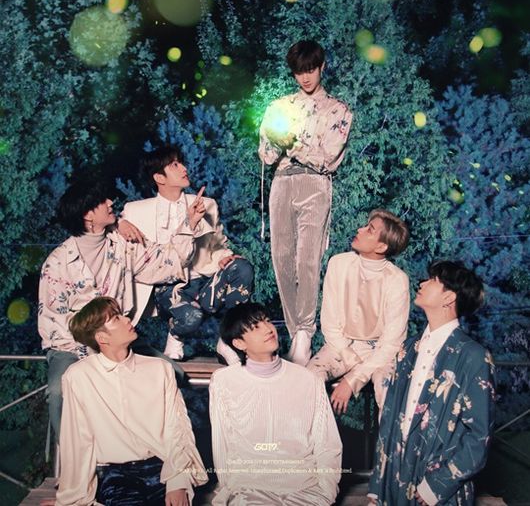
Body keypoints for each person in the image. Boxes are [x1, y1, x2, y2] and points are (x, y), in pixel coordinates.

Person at [38, 178, 187, 441]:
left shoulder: (122, 244)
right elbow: (55, 325)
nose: (110, 202)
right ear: (87, 215)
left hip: (119, 341)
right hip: (71, 347)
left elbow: (164, 265)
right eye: (102, 201)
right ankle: (74, 460)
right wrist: (99, 357)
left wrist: (190, 226)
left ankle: (151, 448)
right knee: (59, 391)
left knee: (173, 373)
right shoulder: (57, 263)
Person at [54, 296, 208, 505]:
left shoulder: (160, 369)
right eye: (116, 318)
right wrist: (70, 499)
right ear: (102, 338)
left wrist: (178, 481)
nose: (127, 320)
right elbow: (77, 442)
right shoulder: (79, 376)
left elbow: (178, 428)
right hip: (116, 477)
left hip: (163, 469)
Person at [368, 261, 496, 505]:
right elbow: (389, 418)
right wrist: (377, 488)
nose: (422, 283)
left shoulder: (474, 357)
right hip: (395, 485)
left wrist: (437, 486)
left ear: (449, 297)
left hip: (439, 492)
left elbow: (479, 438)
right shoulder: (408, 348)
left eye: (433, 280)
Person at [259, 40, 352, 365]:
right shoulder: (279, 106)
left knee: (308, 258)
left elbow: (328, 158)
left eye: (310, 69)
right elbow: (266, 155)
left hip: (315, 184)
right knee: (281, 257)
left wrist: (293, 144)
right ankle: (295, 330)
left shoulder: (338, 110)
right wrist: (276, 142)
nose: (305, 77)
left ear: (322, 67)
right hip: (282, 181)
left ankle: (305, 333)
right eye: (299, 72)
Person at [122, 145, 254, 363]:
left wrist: (223, 256)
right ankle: (175, 335)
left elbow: (217, 244)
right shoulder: (135, 210)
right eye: (175, 165)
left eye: (181, 163)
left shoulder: (207, 204)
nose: (184, 168)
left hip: (203, 281)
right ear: (159, 177)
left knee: (242, 267)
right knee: (192, 316)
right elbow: (111, 234)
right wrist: (120, 224)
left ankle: (228, 339)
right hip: (167, 287)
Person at [209, 302, 343, 505]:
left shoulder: (308, 379)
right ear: (239, 343)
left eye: (267, 321)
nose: (268, 328)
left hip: (306, 489)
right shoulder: (223, 381)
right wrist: (230, 488)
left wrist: (326, 490)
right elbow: (222, 443)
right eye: (255, 327)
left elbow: (327, 443)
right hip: (249, 489)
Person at [308, 208, 410, 413]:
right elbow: (330, 323)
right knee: (308, 379)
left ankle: (390, 436)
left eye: (369, 229)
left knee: (387, 389)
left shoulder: (397, 280)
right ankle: (319, 435)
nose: (360, 230)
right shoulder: (338, 263)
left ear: (381, 246)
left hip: (380, 352)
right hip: (340, 345)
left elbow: (391, 343)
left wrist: (352, 380)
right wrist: (351, 358)